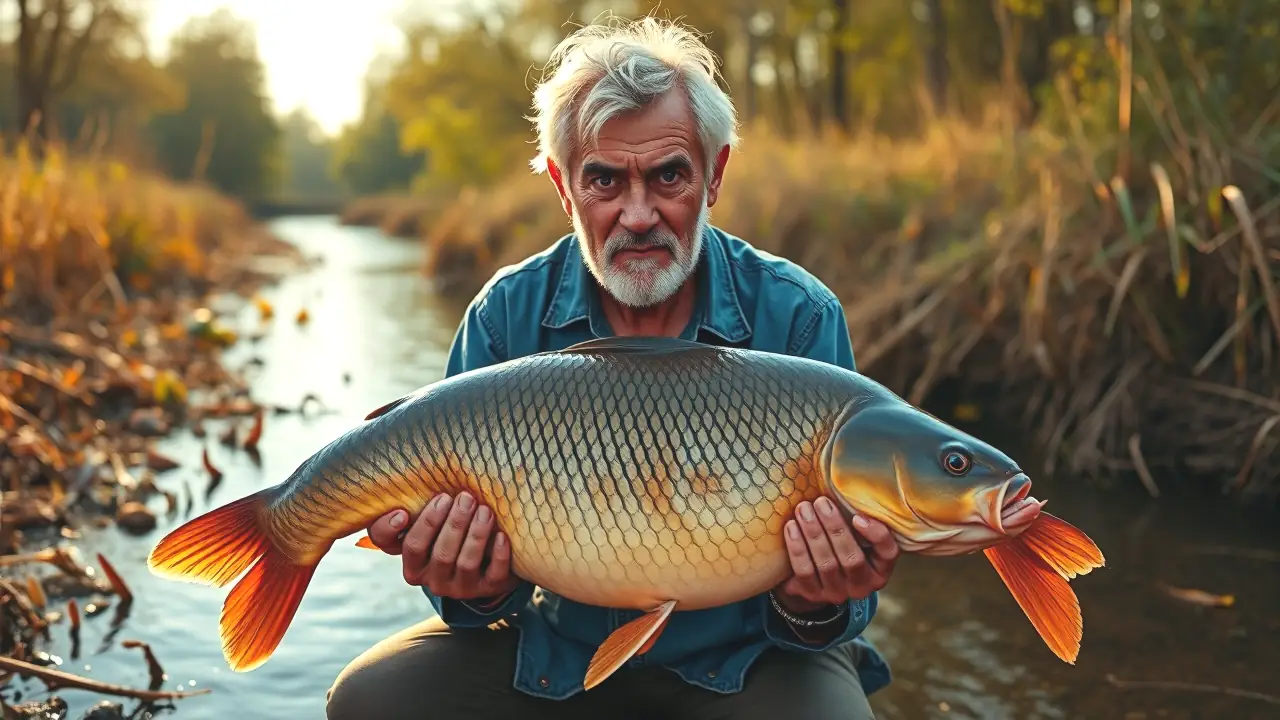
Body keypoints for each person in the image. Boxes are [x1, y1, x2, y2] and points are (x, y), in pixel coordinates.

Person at [326, 16, 896, 720]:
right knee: (370, 700)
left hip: (751, 660)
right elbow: (467, 607)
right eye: (604, 180)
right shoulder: (505, 316)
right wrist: (469, 583)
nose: (637, 214)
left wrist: (813, 603)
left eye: (668, 176)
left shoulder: (800, 317)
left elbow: (851, 599)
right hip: (555, 654)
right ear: (564, 189)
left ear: (714, 175)